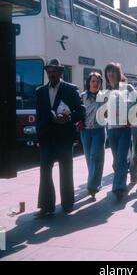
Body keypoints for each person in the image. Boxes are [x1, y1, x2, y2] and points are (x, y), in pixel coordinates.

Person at [35, 59, 85, 218]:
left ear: (60, 73)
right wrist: (38, 135)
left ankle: (67, 204)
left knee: (66, 171)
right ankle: (46, 207)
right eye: (48, 71)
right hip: (46, 138)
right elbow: (39, 116)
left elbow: (81, 111)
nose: (51, 74)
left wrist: (68, 118)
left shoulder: (70, 89)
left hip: (64, 138)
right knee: (45, 173)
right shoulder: (40, 91)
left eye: (54, 71)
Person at [105, 62, 137, 200]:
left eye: (113, 72)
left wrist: (131, 119)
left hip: (125, 130)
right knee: (117, 160)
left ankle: (119, 186)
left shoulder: (128, 88)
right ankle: (125, 173)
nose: (110, 74)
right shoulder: (106, 92)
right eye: (108, 72)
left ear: (118, 74)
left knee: (120, 159)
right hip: (112, 131)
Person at [79, 72, 106, 199]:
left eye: (98, 82)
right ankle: (96, 183)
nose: (95, 84)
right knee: (89, 158)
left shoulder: (104, 97)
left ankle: (92, 186)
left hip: (99, 131)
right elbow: (76, 111)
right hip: (85, 131)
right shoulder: (82, 96)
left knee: (96, 157)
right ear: (89, 82)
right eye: (93, 81)